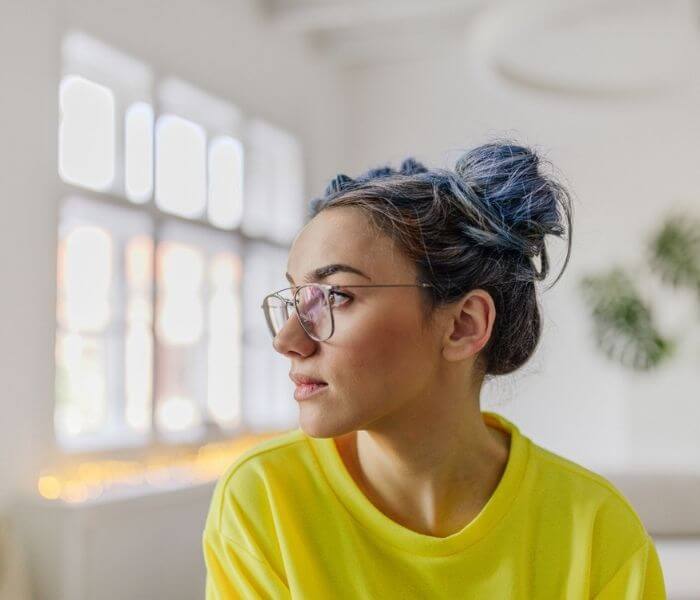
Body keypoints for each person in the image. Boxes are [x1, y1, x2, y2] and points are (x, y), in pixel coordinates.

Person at [202, 140, 667, 599]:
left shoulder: (596, 531)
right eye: (296, 298)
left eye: (337, 295)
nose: (286, 341)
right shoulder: (266, 500)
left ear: (464, 325)